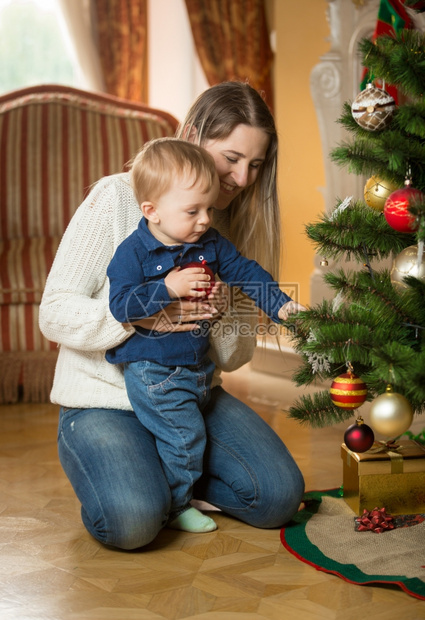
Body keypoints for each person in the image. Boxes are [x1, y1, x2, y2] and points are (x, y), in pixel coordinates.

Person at [39, 81, 305, 550]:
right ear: (193, 135)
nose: (242, 179)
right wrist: (140, 316)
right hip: (104, 402)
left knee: (278, 497)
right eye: (231, 158)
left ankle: (177, 469)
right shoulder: (117, 198)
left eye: (255, 165)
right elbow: (54, 312)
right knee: (134, 522)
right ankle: (155, 481)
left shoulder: (218, 226)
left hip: (190, 392)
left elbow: (234, 357)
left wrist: (222, 310)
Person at [106, 138, 304, 534]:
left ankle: (183, 484)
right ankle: (177, 506)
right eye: (192, 211)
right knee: (184, 438)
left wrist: (282, 306)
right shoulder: (134, 253)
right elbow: (121, 306)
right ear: (152, 212)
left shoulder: (208, 244)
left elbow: (246, 272)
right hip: (155, 372)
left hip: (199, 370)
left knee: (188, 441)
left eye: (209, 209)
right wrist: (169, 288)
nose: (205, 220)